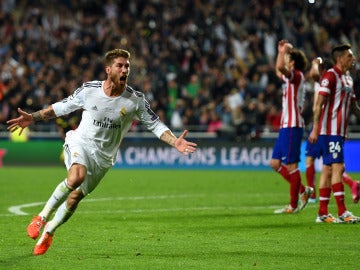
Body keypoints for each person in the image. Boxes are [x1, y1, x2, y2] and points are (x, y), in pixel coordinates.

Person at [7, 49, 198, 255]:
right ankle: (42, 217)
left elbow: (155, 125)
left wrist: (174, 141)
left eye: (127, 66)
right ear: (108, 70)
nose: (125, 69)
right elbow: (60, 108)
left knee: (74, 198)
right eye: (120, 65)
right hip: (81, 142)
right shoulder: (90, 90)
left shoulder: (135, 100)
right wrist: (32, 118)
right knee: (76, 177)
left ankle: (50, 231)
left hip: (104, 158)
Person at [309, 43, 360, 223]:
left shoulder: (348, 79)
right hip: (328, 131)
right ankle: (343, 211)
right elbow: (318, 104)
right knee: (338, 167)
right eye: (349, 56)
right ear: (340, 58)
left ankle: (322, 213)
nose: (353, 59)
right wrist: (315, 128)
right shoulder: (330, 75)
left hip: (338, 132)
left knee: (328, 170)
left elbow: (353, 106)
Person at [270, 40, 313, 214]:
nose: (285, 60)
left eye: (288, 58)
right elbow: (278, 70)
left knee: (292, 166)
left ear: (293, 62)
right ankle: (303, 190)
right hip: (285, 126)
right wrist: (282, 52)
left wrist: (282, 51)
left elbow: (280, 68)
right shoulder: (290, 78)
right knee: (274, 163)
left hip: (293, 126)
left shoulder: (297, 76)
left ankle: (293, 205)